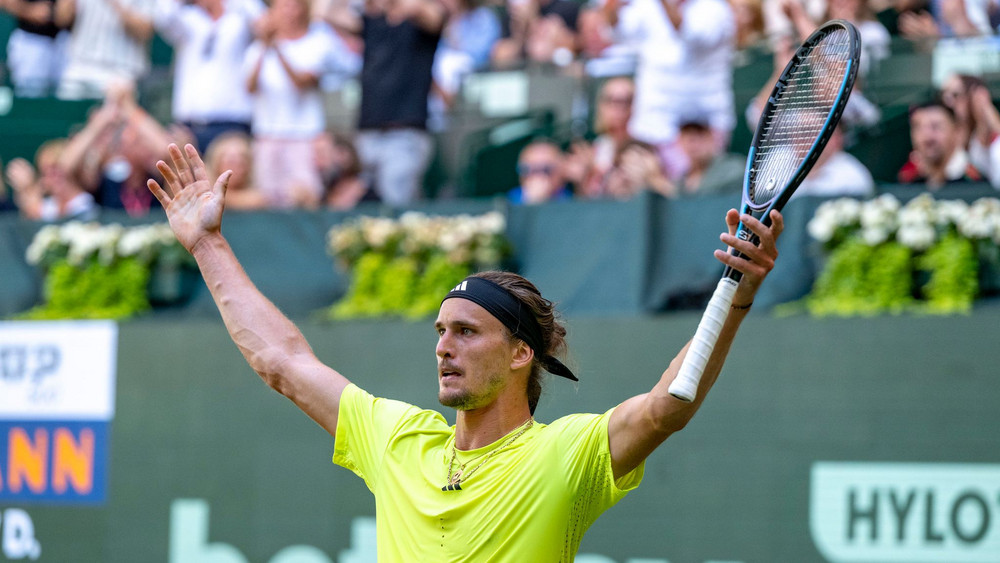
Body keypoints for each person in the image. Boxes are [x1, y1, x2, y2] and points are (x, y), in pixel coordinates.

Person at [146, 141, 784, 560]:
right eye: (440, 332)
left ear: (519, 354)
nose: (443, 347)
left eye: (467, 331)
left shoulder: (564, 456)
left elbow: (665, 407)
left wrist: (738, 295)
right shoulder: (397, 439)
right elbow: (281, 362)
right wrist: (207, 245)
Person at [324, 0, 447, 206]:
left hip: (404, 134)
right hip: (368, 133)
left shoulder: (421, 23)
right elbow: (330, 14)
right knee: (369, 210)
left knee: (395, 205)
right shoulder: (372, 23)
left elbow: (433, 15)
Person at [244, 0, 335, 208]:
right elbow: (249, 87)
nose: (288, 12)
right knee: (268, 201)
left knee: (307, 198)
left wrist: (277, 47)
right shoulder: (257, 49)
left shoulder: (317, 42)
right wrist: (264, 47)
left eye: (293, 6)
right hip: (267, 134)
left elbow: (302, 82)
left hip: (303, 136)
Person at [154, 0, 266, 152]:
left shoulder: (239, 19)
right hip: (190, 125)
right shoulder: (188, 19)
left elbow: (263, 23)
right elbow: (163, 14)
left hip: (232, 123)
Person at [54, 0, 155, 99]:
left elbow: (144, 32)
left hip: (119, 71)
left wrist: (116, 5)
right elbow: (61, 19)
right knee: (65, 112)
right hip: (79, 65)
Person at [4, 139, 98, 221]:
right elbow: (31, 214)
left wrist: (29, 187)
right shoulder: (50, 205)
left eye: (54, 170)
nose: (51, 178)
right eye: (45, 173)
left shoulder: (84, 202)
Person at [898, 100, 984, 189]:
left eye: (936, 126)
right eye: (918, 127)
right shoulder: (907, 181)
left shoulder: (974, 183)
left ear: (957, 132)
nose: (927, 137)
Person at [939, 73, 1000, 190]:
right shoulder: (943, 134)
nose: (948, 101)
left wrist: (984, 107)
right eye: (943, 94)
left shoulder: (985, 136)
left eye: (955, 95)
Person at [1, 0, 70, 96]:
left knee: (67, 98)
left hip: (67, 43)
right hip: (33, 41)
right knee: (30, 98)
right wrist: (30, 10)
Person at [203, 131, 268, 210]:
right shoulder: (204, 187)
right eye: (230, 162)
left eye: (240, 163)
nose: (234, 170)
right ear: (216, 163)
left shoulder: (256, 195)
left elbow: (257, 200)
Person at [507, 139, 573, 203]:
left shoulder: (572, 199)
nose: (537, 177)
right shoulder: (510, 201)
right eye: (527, 169)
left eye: (546, 169)